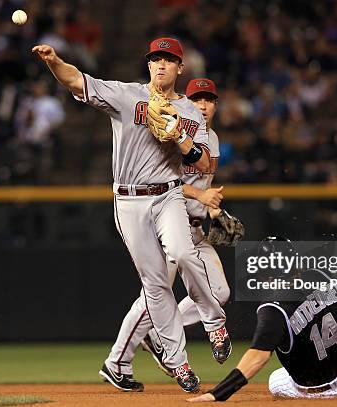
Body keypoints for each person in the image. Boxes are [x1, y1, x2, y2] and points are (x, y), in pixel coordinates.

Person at [32, 38, 229, 394]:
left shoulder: (189, 112)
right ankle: (178, 361)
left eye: (169, 60)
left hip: (168, 193)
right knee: (155, 284)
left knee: (184, 254)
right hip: (128, 200)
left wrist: (180, 139)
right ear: (149, 64)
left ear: (180, 68)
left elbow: (201, 162)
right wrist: (53, 61)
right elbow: (77, 81)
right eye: (156, 59)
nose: (161, 65)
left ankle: (215, 322)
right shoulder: (126, 96)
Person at [188, 222, 337, 402]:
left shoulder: (272, 308)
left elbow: (257, 358)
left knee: (275, 380)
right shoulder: (320, 276)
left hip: (319, 392)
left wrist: (218, 394)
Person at [104, 78, 232, 383]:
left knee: (220, 291)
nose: (203, 105)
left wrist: (212, 208)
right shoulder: (169, 127)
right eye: (197, 99)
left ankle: (148, 340)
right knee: (153, 295)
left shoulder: (209, 138)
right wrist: (200, 196)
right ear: (186, 103)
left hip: (196, 229)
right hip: (168, 223)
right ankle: (118, 360)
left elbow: (202, 179)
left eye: (209, 100)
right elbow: (168, 182)